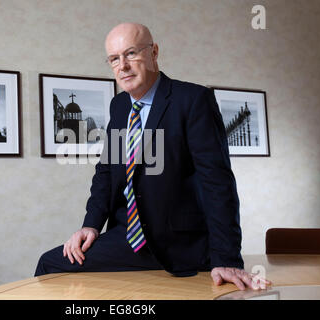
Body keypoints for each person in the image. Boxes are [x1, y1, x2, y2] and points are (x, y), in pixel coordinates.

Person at [35, 23, 271, 291]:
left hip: (181, 243)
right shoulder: (120, 105)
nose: (122, 65)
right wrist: (90, 225)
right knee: (50, 263)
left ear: (154, 52)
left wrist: (227, 258)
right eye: (114, 58)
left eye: (131, 53)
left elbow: (217, 182)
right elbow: (106, 172)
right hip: (129, 238)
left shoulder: (193, 99)